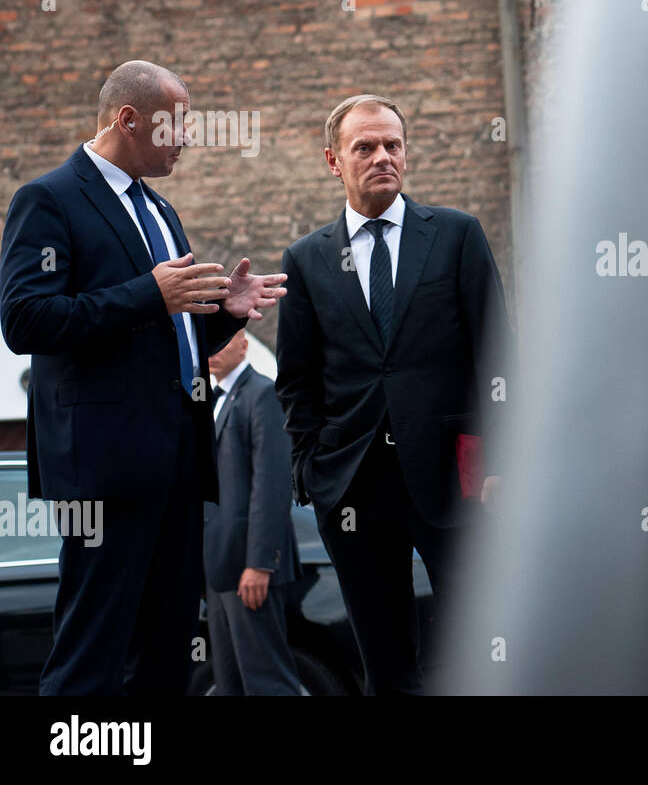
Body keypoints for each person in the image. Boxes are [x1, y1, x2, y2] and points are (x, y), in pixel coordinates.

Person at [0, 60, 287, 695]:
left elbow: (164, 335)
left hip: (179, 467)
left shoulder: (159, 210)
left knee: (164, 658)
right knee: (89, 659)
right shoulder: (47, 199)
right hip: (102, 471)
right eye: (178, 122)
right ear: (129, 120)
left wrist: (220, 318)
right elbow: (23, 321)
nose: (188, 136)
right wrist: (145, 296)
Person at [275, 93, 508, 694]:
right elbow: (298, 380)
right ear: (334, 160)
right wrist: (310, 470)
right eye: (365, 147)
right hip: (352, 486)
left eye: (393, 145)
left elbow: (498, 357)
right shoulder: (306, 260)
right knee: (386, 664)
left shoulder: (457, 236)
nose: (383, 156)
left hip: (455, 483)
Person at [204, 330, 302, 695]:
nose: (214, 349)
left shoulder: (262, 393)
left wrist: (260, 564)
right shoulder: (212, 399)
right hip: (219, 570)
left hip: (250, 568)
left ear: (244, 345)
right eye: (210, 342)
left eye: (224, 340)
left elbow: (272, 484)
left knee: (267, 682)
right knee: (231, 684)